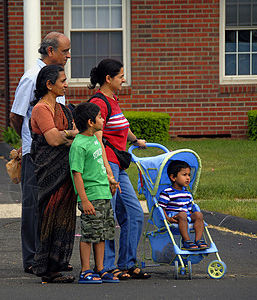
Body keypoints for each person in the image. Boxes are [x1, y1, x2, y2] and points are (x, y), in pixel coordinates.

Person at [9, 32, 71, 274]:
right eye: (65, 51)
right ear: (50, 52)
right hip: (36, 153)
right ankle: (33, 258)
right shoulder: (31, 78)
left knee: (52, 205)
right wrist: (28, 141)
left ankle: (52, 257)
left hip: (56, 153)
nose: (68, 55)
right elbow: (16, 116)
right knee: (33, 206)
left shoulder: (57, 78)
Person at [88, 58, 151, 280]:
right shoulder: (99, 103)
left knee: (134, 213)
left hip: (119, 165)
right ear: (108, 78)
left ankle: (127, 263)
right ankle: (105, 266)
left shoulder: (113, 99)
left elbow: (122, 126)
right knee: (108, 215)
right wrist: (107, 170)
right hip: (108, 165)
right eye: (120, 76)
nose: (124, 79)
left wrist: (135, 140)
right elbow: (96, 139)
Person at [29, 64, 79, 283]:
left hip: (66, 170)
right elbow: (53, 139)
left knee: (64, 216)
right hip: (49, 171)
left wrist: (66, 134)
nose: (66, 84)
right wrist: (69, 134)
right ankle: (47, 269)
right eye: (62, 81)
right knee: (50, 215)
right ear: (49, 85)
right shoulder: (41, 109)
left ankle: (58, 264)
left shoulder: (64, 109)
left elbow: (77, 136)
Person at [69, 102, 120, 284]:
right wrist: (85, 200)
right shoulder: (79, 145)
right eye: (100, 117)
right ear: (91, 122)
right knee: (89, 234)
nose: (103, 119)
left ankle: (100, 269)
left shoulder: (94, 140)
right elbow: (77, 174)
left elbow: (97, 167)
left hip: (103, 194)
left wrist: (110, 180)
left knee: (103, 233)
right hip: (91, 196)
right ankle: (85, 270)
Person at [158, 160, 208, 250]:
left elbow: (189, 210)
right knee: (182, 214)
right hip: (175, 216)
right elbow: (162, 209)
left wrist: (194, 216)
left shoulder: (187, 194)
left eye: (189, 175)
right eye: (184, 175)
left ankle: (198, 240)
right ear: (173, 177)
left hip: (186, 216)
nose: (188, 178)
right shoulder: (167, 192)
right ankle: (186, 240)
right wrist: (168, 219)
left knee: (198, 214)